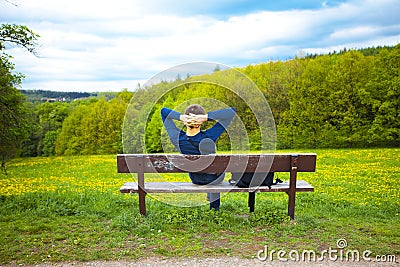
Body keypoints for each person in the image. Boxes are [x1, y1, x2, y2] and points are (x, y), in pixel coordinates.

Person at [161, 104, 236, 210]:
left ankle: (210, 194)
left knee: (211, 166)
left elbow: (163, 112)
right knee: (216, 167)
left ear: (186, 121)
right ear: (200, 122)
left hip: (195, 178)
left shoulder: (176, 138)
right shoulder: (209, 136)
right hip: (213, 178)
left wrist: (181, 117)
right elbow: (232, 111)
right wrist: (206, 117)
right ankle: (214, 208)